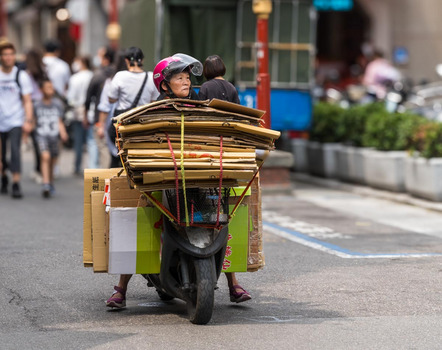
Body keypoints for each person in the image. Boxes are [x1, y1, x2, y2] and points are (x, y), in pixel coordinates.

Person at [106, 53, 201, 308]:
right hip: (161, 181)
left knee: (222, 217)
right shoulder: (154, 110)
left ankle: (233, 283)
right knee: (137, 220)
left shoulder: (201, 106)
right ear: (165, 85)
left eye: (187, 77)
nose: (186, 82)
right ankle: (121, 288)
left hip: (195, 178)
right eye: (179, 78)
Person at [199, 54, 251, 303]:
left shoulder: (205, 88)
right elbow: (238, 115)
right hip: (228, 146)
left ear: (206, 71)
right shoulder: (231, 87)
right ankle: (233, 283)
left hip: (210, 143)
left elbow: (200, 114)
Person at [106, 46, 159, 167]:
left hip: (122, 121)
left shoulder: (120, 76)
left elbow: (111, 98)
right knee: (139, 154)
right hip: (142, 123)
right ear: (142, 60)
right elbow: (153, 101)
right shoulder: (151, 77)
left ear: (126, 60)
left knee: (118, 153)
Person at [0, 42, 34, 198]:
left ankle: (15, 183)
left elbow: (27, 100)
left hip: (15, 119)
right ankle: (4, 176)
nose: (8, 58)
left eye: (11, 54)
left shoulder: (21, 75)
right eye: (5, 54)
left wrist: (28, 120)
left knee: (15, 151)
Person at [34, 79, 68, 197]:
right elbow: (34, 121)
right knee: (45, 156)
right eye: (47, 87)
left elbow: (59, 120)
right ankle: (46, 183)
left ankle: (50, 181)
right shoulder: (37, 105)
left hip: (54, 137)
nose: (50, 90)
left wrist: (63, 132)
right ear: (41, 89)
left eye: (51, 87)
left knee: (53, 160)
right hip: (41, 135)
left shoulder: (57, 104)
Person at [84, 47, 115, 168]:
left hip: (100, 118)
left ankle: (97, 175)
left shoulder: (98, 75)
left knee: (97, 146)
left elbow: (88, 97)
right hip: (118, 118)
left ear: (106, 59)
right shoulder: (118, 75)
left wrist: (85, 115)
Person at [66, 56, 95, 174]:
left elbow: (70, 98)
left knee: (78, 140)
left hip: (78, 110)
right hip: (92, 110)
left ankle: (77, 166)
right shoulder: (92, 76)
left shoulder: (75, 78)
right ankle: (93, 166)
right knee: (91, 141)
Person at [24, 48, 48, 183]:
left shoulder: (26, 74)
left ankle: (39, 168)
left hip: (32, 106)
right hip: (44, 106)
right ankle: (43, 167)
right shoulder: (44, 73)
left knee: (36, 140)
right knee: (43, 137)